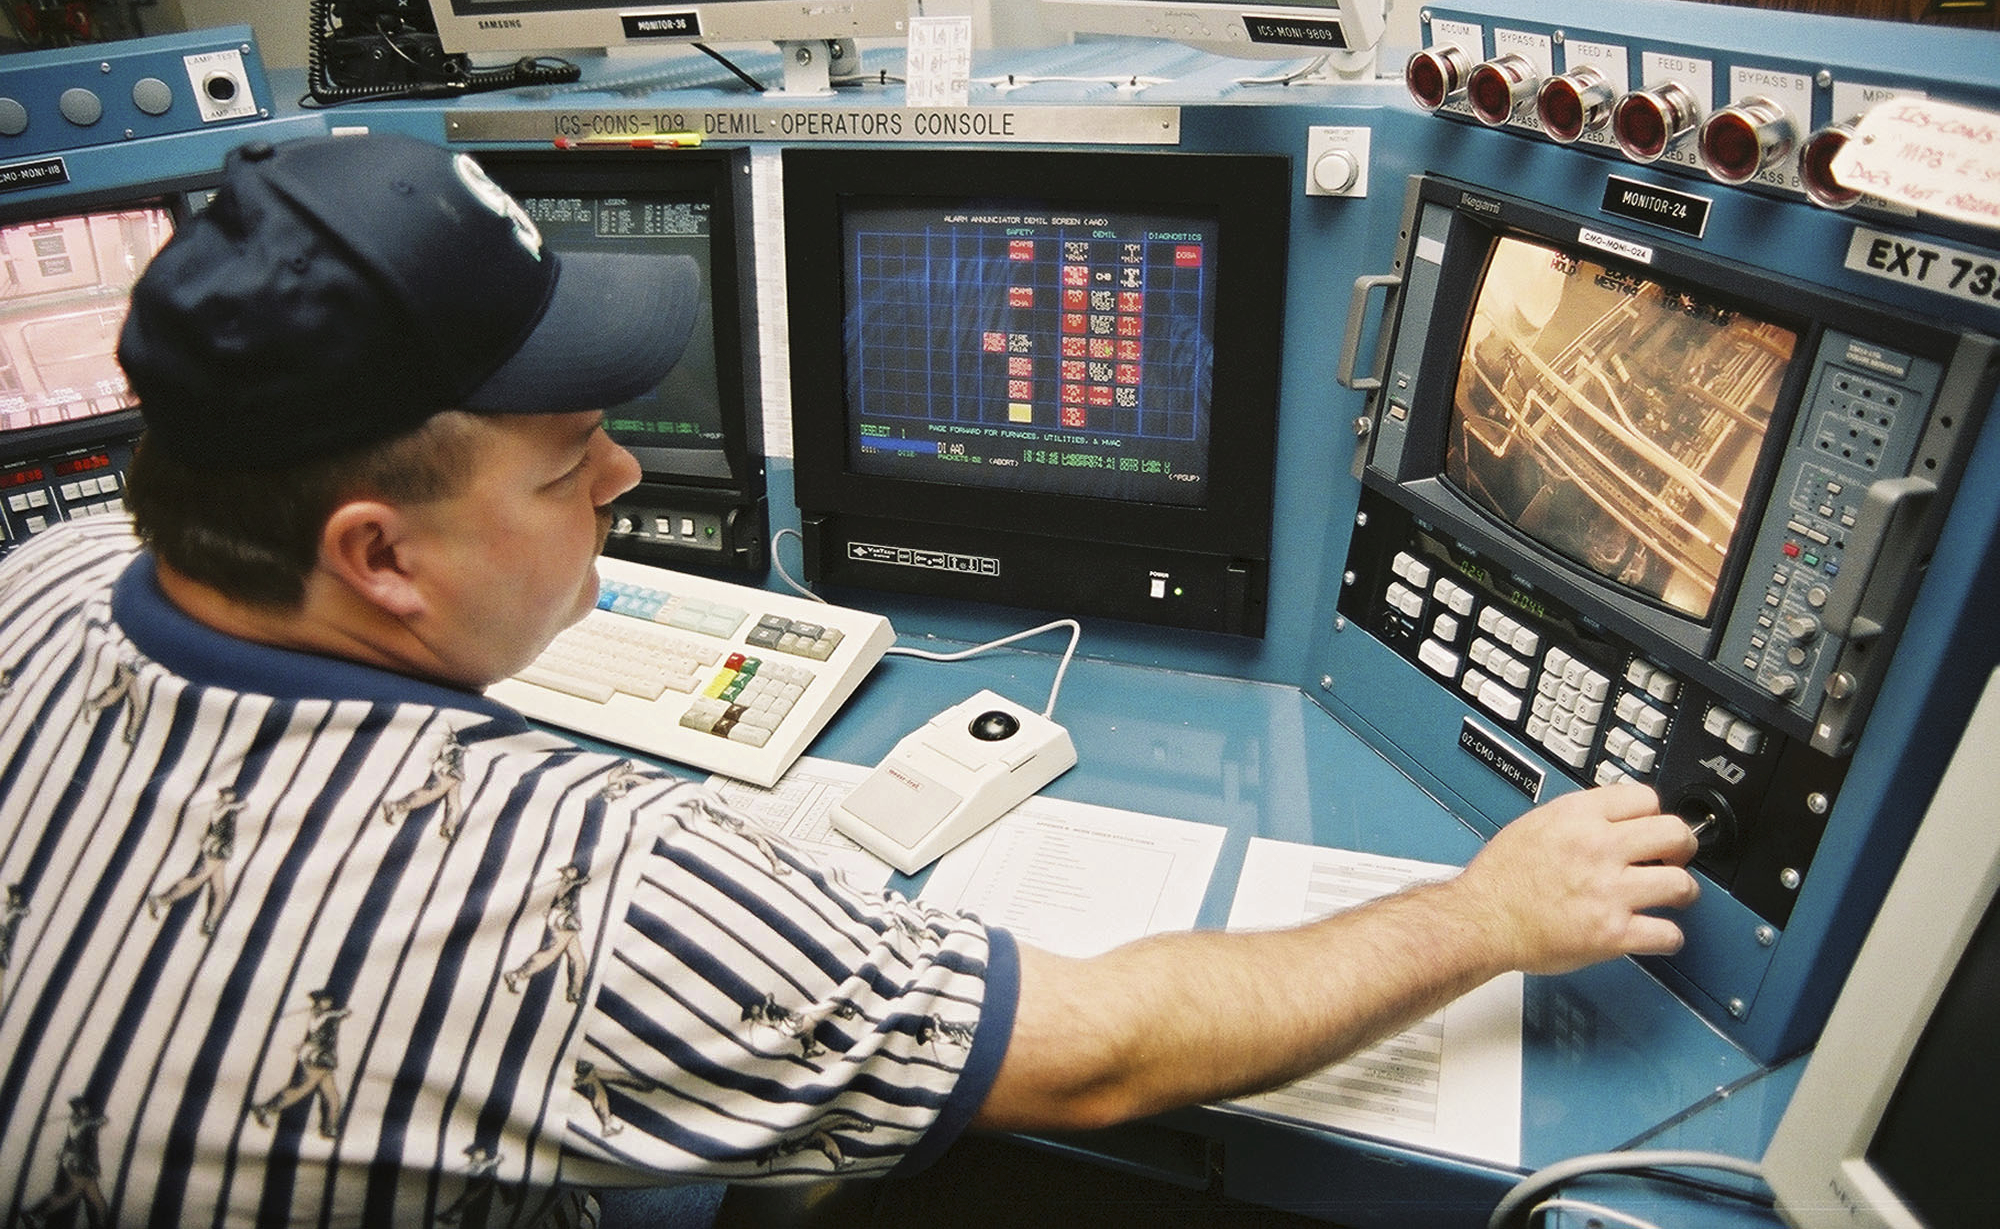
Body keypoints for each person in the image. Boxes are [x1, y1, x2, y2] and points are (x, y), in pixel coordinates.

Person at [0, 133, 1699, 1227]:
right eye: (570, 456)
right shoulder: (594, 898)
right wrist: (1484, 915)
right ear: (377, 555)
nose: (617, 488)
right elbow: (1100, 1054)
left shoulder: (44, 589)